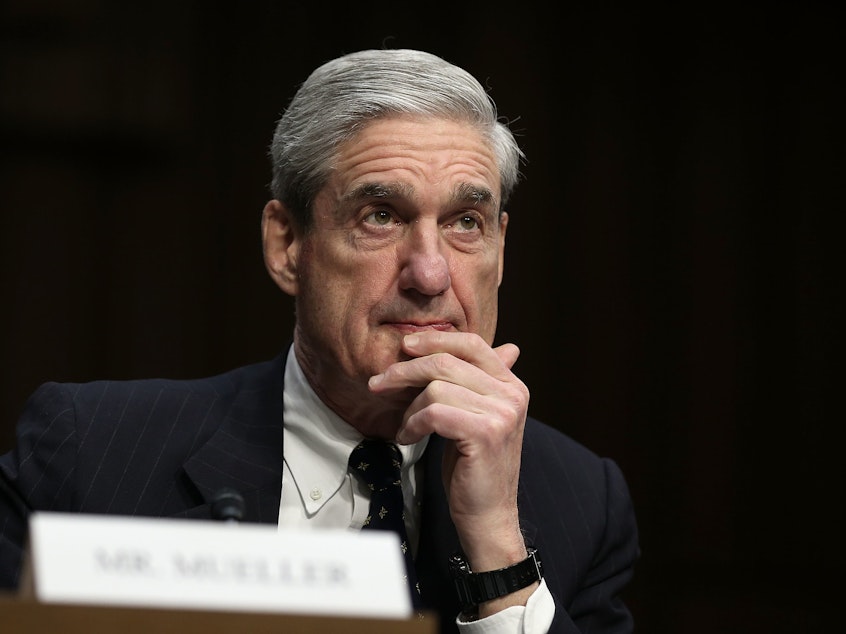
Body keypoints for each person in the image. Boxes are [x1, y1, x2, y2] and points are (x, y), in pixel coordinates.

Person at [0, 48, 639, 632]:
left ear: (500, 250)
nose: (430, 273)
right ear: (287, 246)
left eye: (465, 223)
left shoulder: (580, 502)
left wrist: (498, 550)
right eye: (381, 215)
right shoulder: (91, 453)